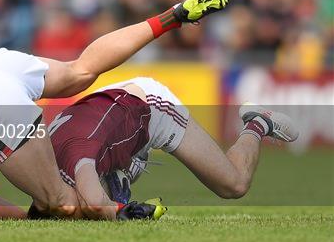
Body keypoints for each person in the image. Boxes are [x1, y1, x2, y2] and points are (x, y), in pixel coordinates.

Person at [0, 0, 229, 219]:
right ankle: (172, 17)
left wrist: (45, 208)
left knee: (62, 203)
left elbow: (16, 216)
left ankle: (120, 209)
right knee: (81, 70)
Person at [46, 77, 299, 220]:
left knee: (234, 184)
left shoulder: (77, 157)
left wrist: (124, 213)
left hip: (151, 107)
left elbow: (94, 203)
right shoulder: (42, 166)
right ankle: (121, 173)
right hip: (111, 111)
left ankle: (257, 122)